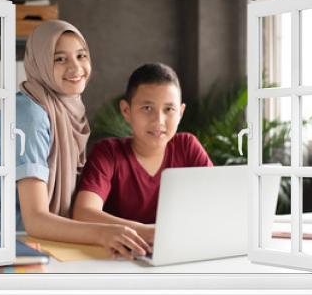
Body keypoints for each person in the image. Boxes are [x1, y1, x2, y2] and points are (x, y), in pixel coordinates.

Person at [0, 20, 151, 260]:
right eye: (60, 59)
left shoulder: (66, 108)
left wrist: (136, 230)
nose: (76, 68)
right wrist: (104, 233)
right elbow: (36, 219)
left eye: (81, 55)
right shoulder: (30, 115)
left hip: (22, 214)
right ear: (41, 63)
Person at [72, 62, 213, 246]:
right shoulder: (108, 153)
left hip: (177, 254)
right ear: (126, 111)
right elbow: (83, 213)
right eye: (147, 108)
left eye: (169, 109)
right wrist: (146, 232)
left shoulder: (187, 147)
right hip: (118, 260)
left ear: (181, 112)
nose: (158, 121)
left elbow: (216, 204)